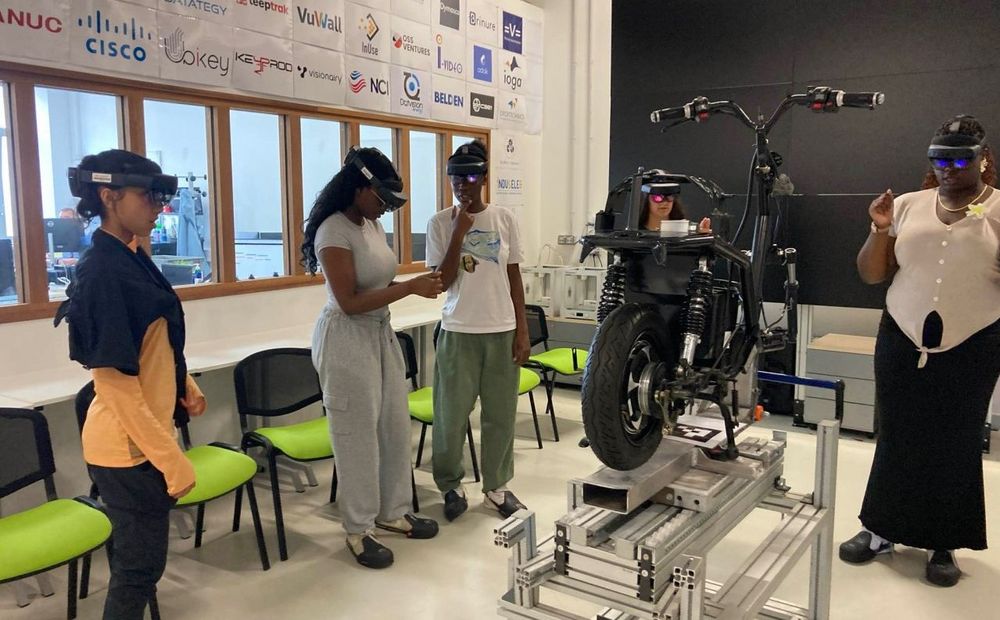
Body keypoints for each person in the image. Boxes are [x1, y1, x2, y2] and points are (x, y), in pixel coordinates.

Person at [842, 115, 1000, 587]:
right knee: (896, 432)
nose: (949, 168)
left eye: (960, 159)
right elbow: (872, 274)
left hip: (974, 340)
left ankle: (942, 541)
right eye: (939, 159)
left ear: (983, 160)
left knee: (956, 439)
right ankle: (879, 530)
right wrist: (879, 229)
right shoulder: (907, 205)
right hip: (901, 333)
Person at [54, 149, 204, 619]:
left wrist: (183, 381)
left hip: (143, 439)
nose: (158, 206)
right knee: (137, 571)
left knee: (141, 567)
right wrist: (172, 459)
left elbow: (150, 341)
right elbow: (115, 385)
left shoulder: (133, 254)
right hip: (125, 451)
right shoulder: (101, 271)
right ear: (109, 196)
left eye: (160, 198)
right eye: (148, 196)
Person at [302, 146, 442, 569]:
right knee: (357, 436)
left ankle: (393, 512)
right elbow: (348, 301)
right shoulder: (332, 230)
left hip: (379, 333)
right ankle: (358, 529)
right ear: (359, 187)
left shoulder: (371, 225)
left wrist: (414, 285)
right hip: (346, 339)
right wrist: (411, 288)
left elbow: (378, 284)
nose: (385, 209)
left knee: (394, 426)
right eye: (381, 199)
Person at [425, 139, 531, 521]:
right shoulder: (439, 223)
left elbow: (514, 277)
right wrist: (458, 232)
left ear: (484, 178)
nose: (462, 184)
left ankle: (496, 488)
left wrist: (522, 331)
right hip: (458, 331)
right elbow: (442, 281)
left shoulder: (505, 219)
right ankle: (451, 486)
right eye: (455, 177)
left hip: (501, 330)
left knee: (500, 415)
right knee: (450, 417)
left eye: (470, 177)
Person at [637, 185, 711, 233]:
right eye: (657, 197)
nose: (664, 203)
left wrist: (701, 236)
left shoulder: (686, 229)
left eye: (669, 196)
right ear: (646, 200)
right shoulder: (636, 234)